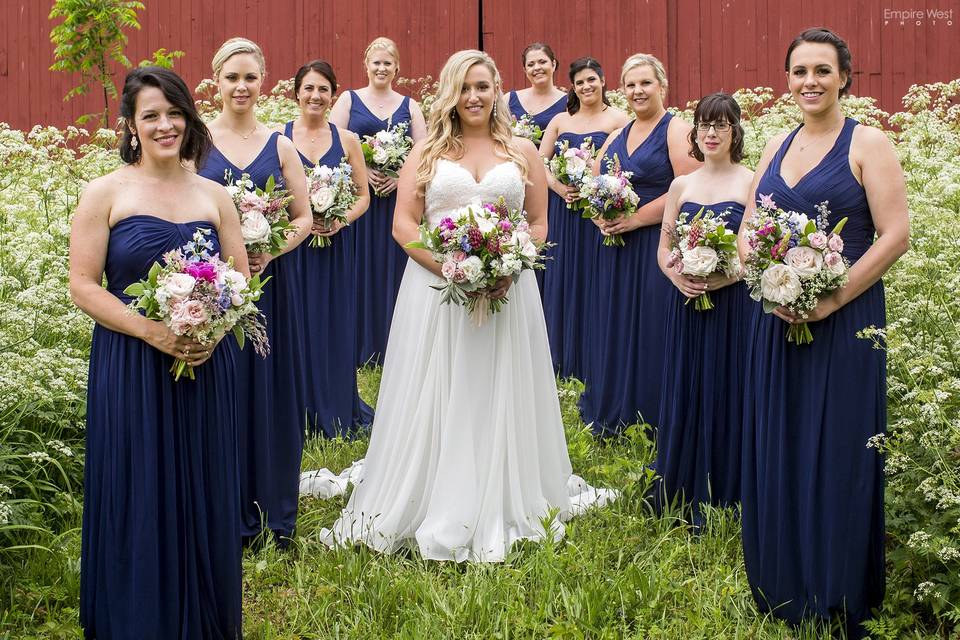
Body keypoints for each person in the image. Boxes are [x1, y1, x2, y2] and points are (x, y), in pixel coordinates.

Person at [303, 50, 615, 562]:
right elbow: (404, 224)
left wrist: (509, 265)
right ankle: (428, 487)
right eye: (465, 87)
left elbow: (537, 224)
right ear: (451, 92)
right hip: (435, 293)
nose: (474, 97)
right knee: (437, 384)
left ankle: (506, 484)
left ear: (496, 90)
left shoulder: (521, 151)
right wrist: (449, 269)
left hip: (508, 293)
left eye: (483, 86)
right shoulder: (427, 153)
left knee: (499, 382)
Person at [738, 28, 909, 637]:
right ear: (787, 78)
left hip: (846, 319)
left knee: (837, 444)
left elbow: (895, 236)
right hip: (778, 319)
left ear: (844, 77)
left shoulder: (869, 143)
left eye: (822, 71)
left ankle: (837, 584)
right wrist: (764, 277)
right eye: (799, 71)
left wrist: (830, 298)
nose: (809, 81)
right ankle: (782, 575)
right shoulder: (776, 144)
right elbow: (750, 225)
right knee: (779, 436)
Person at [71, 66, 245, 638]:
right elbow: (84, 285)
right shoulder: (105, 192)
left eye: (174, 112)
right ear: (131, 125)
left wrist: (211, 335)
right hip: (131, 366)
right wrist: (152, 331)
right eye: (151, 115)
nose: (165, 125)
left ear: (188, 119)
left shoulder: (215, 196)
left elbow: (241, 283)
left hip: (204, 366)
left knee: (203, 486)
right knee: (137, 487)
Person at [197, 37, 312, 544]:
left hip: (270, 286)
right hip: (212, 291)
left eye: (249, 77)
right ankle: (219, 502)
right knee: (220, 387)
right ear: (216, 81)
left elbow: (303, 216)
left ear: (262, 82)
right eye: (231, 77)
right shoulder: (194, 142)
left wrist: (272, 248)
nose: (240, 86)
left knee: (268, 389)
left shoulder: (280, 144)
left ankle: (271, 506)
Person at [578, 53, 699, 436]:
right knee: (615, 322)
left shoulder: (675, 129)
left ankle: (651, 412)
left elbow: (689, 191)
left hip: (652, 244)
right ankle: (617, 403)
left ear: (661, 86)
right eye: (630, 85)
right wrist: (599, 213)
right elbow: (593, 184)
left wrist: (633, 219)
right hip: (615, 250)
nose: (637, 91)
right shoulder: (618, 134)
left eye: (645, 83)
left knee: (650, 326)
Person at [653, 93, 753, 524]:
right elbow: (663, 249)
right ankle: (683, 484)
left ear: (735, 132)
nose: (711, 134)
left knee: (728, 386)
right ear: (694, 132)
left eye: (721, 125)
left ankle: (728, 490)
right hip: (686, 303)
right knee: (687, 385)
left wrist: (722, 276)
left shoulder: (751, 182)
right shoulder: (682, 185)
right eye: (704, 125)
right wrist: (678, 275)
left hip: (732, 307)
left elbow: (754, 252)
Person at [276, 59, 374, 437]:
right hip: (293, 249)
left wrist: (340, 219)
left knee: (333, 323)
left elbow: (363, 196)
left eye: (323, 89)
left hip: (336, 248)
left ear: (334, 95)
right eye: (309, 88)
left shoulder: (347, 140)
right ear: (297, 93)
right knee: (296, 324)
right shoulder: (279, 137)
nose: (315, 96)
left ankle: (335, 407)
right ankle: (295, 410)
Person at [329, 36, 427, 366]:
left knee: (391, 268)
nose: (381, 68)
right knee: (358, 268)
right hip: (359, 202)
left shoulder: (409, 106)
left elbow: (424, 152)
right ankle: (356, 341)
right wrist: (362, 172)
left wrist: (401, 179)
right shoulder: (348, 100)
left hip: (395, 203)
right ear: (366, 66)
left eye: (388, 63)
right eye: (376, 62)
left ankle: (392, 343)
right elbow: (331, 144)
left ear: (397, 68)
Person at [539, 57, 630, 378]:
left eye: (591, 79)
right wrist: (560, 187)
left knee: (596, 276)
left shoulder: (619, 120)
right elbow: (540, 162)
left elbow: (624, 165)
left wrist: (595, 188)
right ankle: (559, 355)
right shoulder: (560, 120)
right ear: (573, 88)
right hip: (563, 210)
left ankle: (594, 357)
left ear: (603, 80)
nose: (586, 86)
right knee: (562, 276)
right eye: (579, 82)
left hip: (598, 212)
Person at [505, 43, 568, 148]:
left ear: (553, 64)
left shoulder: (568, 102)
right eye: (530, 64)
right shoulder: (509, 99)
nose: (537, 67)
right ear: (525, 70)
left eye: (542, 62)